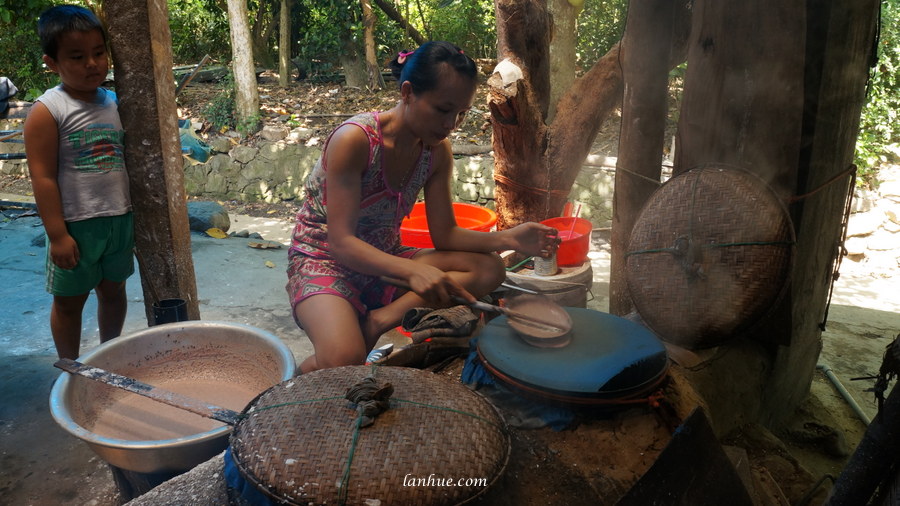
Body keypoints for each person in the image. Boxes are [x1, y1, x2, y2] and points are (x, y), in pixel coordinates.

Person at [287, 41, 559, 373]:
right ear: (407, 92)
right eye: (443, 109)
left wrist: (511, 239)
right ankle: (295, 380)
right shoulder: (355, 141)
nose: (451, 124)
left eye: (460, 113)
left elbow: (445, 235)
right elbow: (341, 244)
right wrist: (414, 271)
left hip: (385, 257)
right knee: (345, 359)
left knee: (489, 269)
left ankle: (378, 320)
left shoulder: (435, 152)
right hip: (323, 260)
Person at [24, 5, 133, 360]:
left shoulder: (116, 103)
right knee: (70, 302)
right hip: (76, 225)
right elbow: (42, 177)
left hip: (118, 220)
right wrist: (57, 234)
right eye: (77, 56)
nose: (92, 63)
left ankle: (108, 355)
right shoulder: (48, 110)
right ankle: (70, 367)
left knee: (114, 292)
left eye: (99, 53)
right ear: (52, 63)